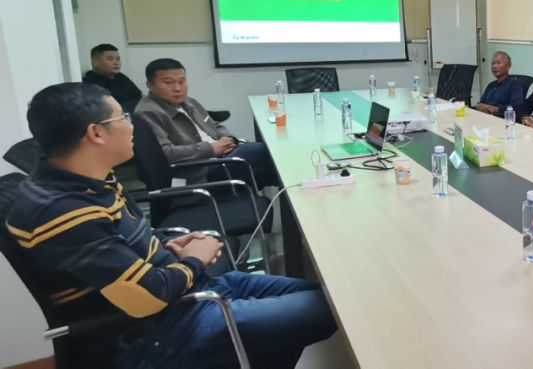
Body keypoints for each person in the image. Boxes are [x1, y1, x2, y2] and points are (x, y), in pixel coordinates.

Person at [5, 83, 336, 369]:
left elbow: (122, 242)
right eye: (122, 118)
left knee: (327, 299)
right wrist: (195, 259)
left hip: (188, 293)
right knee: (328, 310)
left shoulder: (88, 180)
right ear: (96, 133)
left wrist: (167, 244)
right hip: (160, 330)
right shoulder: (64, 211)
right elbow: (147, 297)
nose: (131, 126)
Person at [134, 58, 275, 187]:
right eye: (168, 83)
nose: (177, 88)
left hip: (220, 157)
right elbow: (165, 154)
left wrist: (230, 140)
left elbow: (214, 125)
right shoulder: (147, 112)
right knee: (260, 150)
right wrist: (211, 149)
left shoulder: (189, 102)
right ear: (150, 85)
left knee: (269, 168)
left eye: (182, 81)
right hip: (198, 172)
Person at [82, 44, 142, 111]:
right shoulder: (90, 82)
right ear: (95, 62)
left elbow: (139, 95)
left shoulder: (121, 76)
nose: (116, 63)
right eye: (110, 59)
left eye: (118, 59)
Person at [475, 51, 525, 116]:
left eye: (498, 63)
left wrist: (497, 109)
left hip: (502, 118)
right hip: (485, 116)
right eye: (493, 64)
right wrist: (478, 105)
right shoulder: (491, 85)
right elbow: (482, 102)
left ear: (508, 66)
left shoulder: (514, 84)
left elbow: (517, 106)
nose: (495, 66)